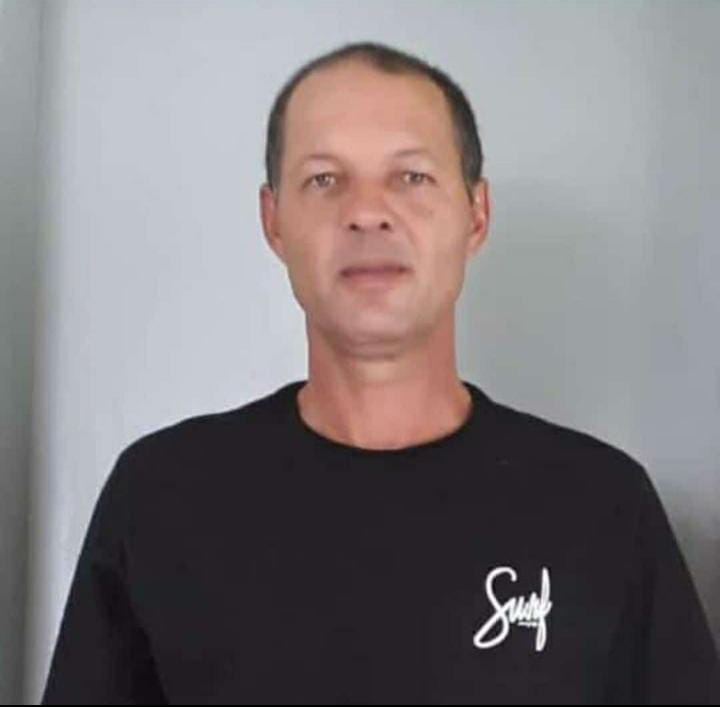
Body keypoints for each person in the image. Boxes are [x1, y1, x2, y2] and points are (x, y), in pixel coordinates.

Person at [41, 41, 720, 705]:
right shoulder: (161, 496)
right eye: (324, 180)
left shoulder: (602, 506)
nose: (366, 212)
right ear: (274, 221)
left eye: (411, 176)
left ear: (476, 214)